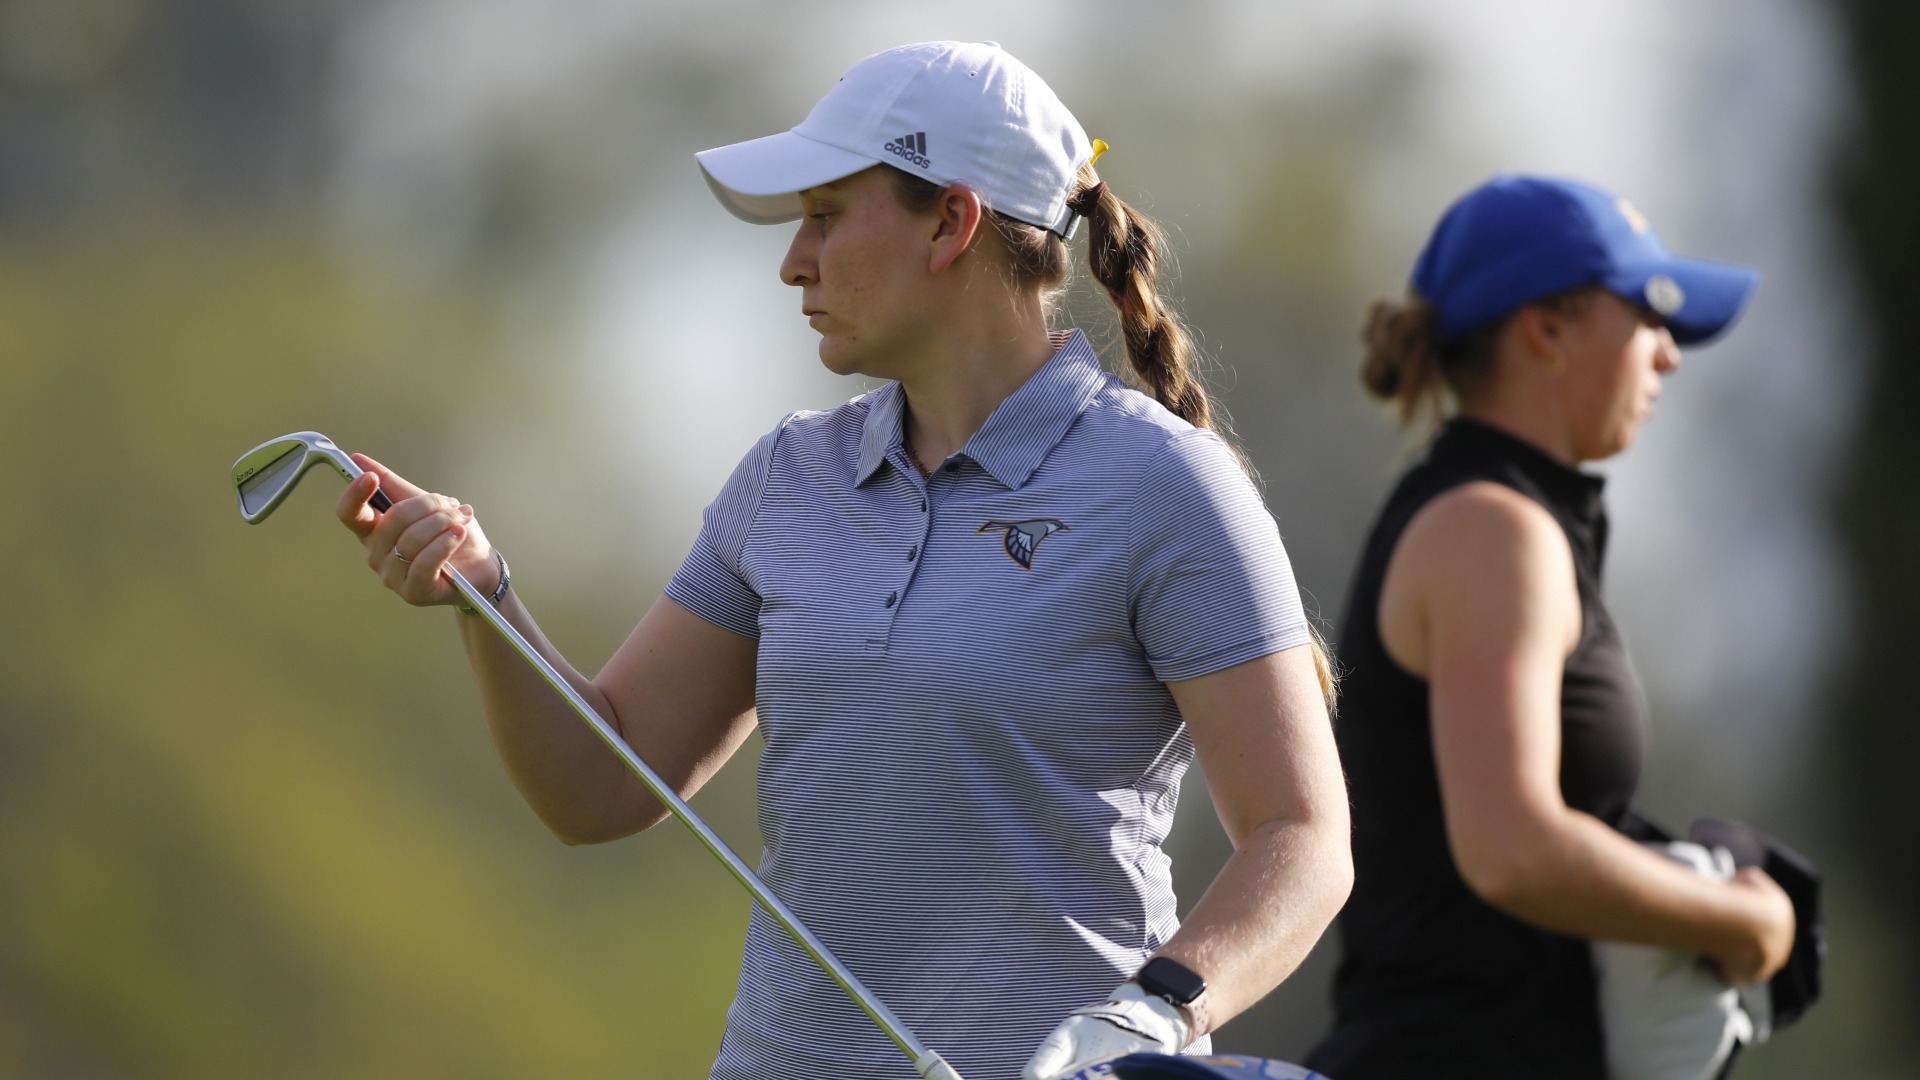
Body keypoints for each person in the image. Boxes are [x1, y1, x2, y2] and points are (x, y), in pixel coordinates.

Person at [334, 41, 1352, 1080]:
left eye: (826, 214)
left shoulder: (1161, 484)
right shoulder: (788, 478)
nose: (795, 260)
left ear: (952, 223)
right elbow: (603, 783)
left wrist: (1156, 1012)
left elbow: (1301, 837)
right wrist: (485, 593)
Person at [1303, 175, 1798, 1079]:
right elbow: (1513, 851)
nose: (1669, 357)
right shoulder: (1495, 530)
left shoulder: (1498, 518)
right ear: (1549, 329)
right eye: (1649, 315)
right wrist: (1747, 920)